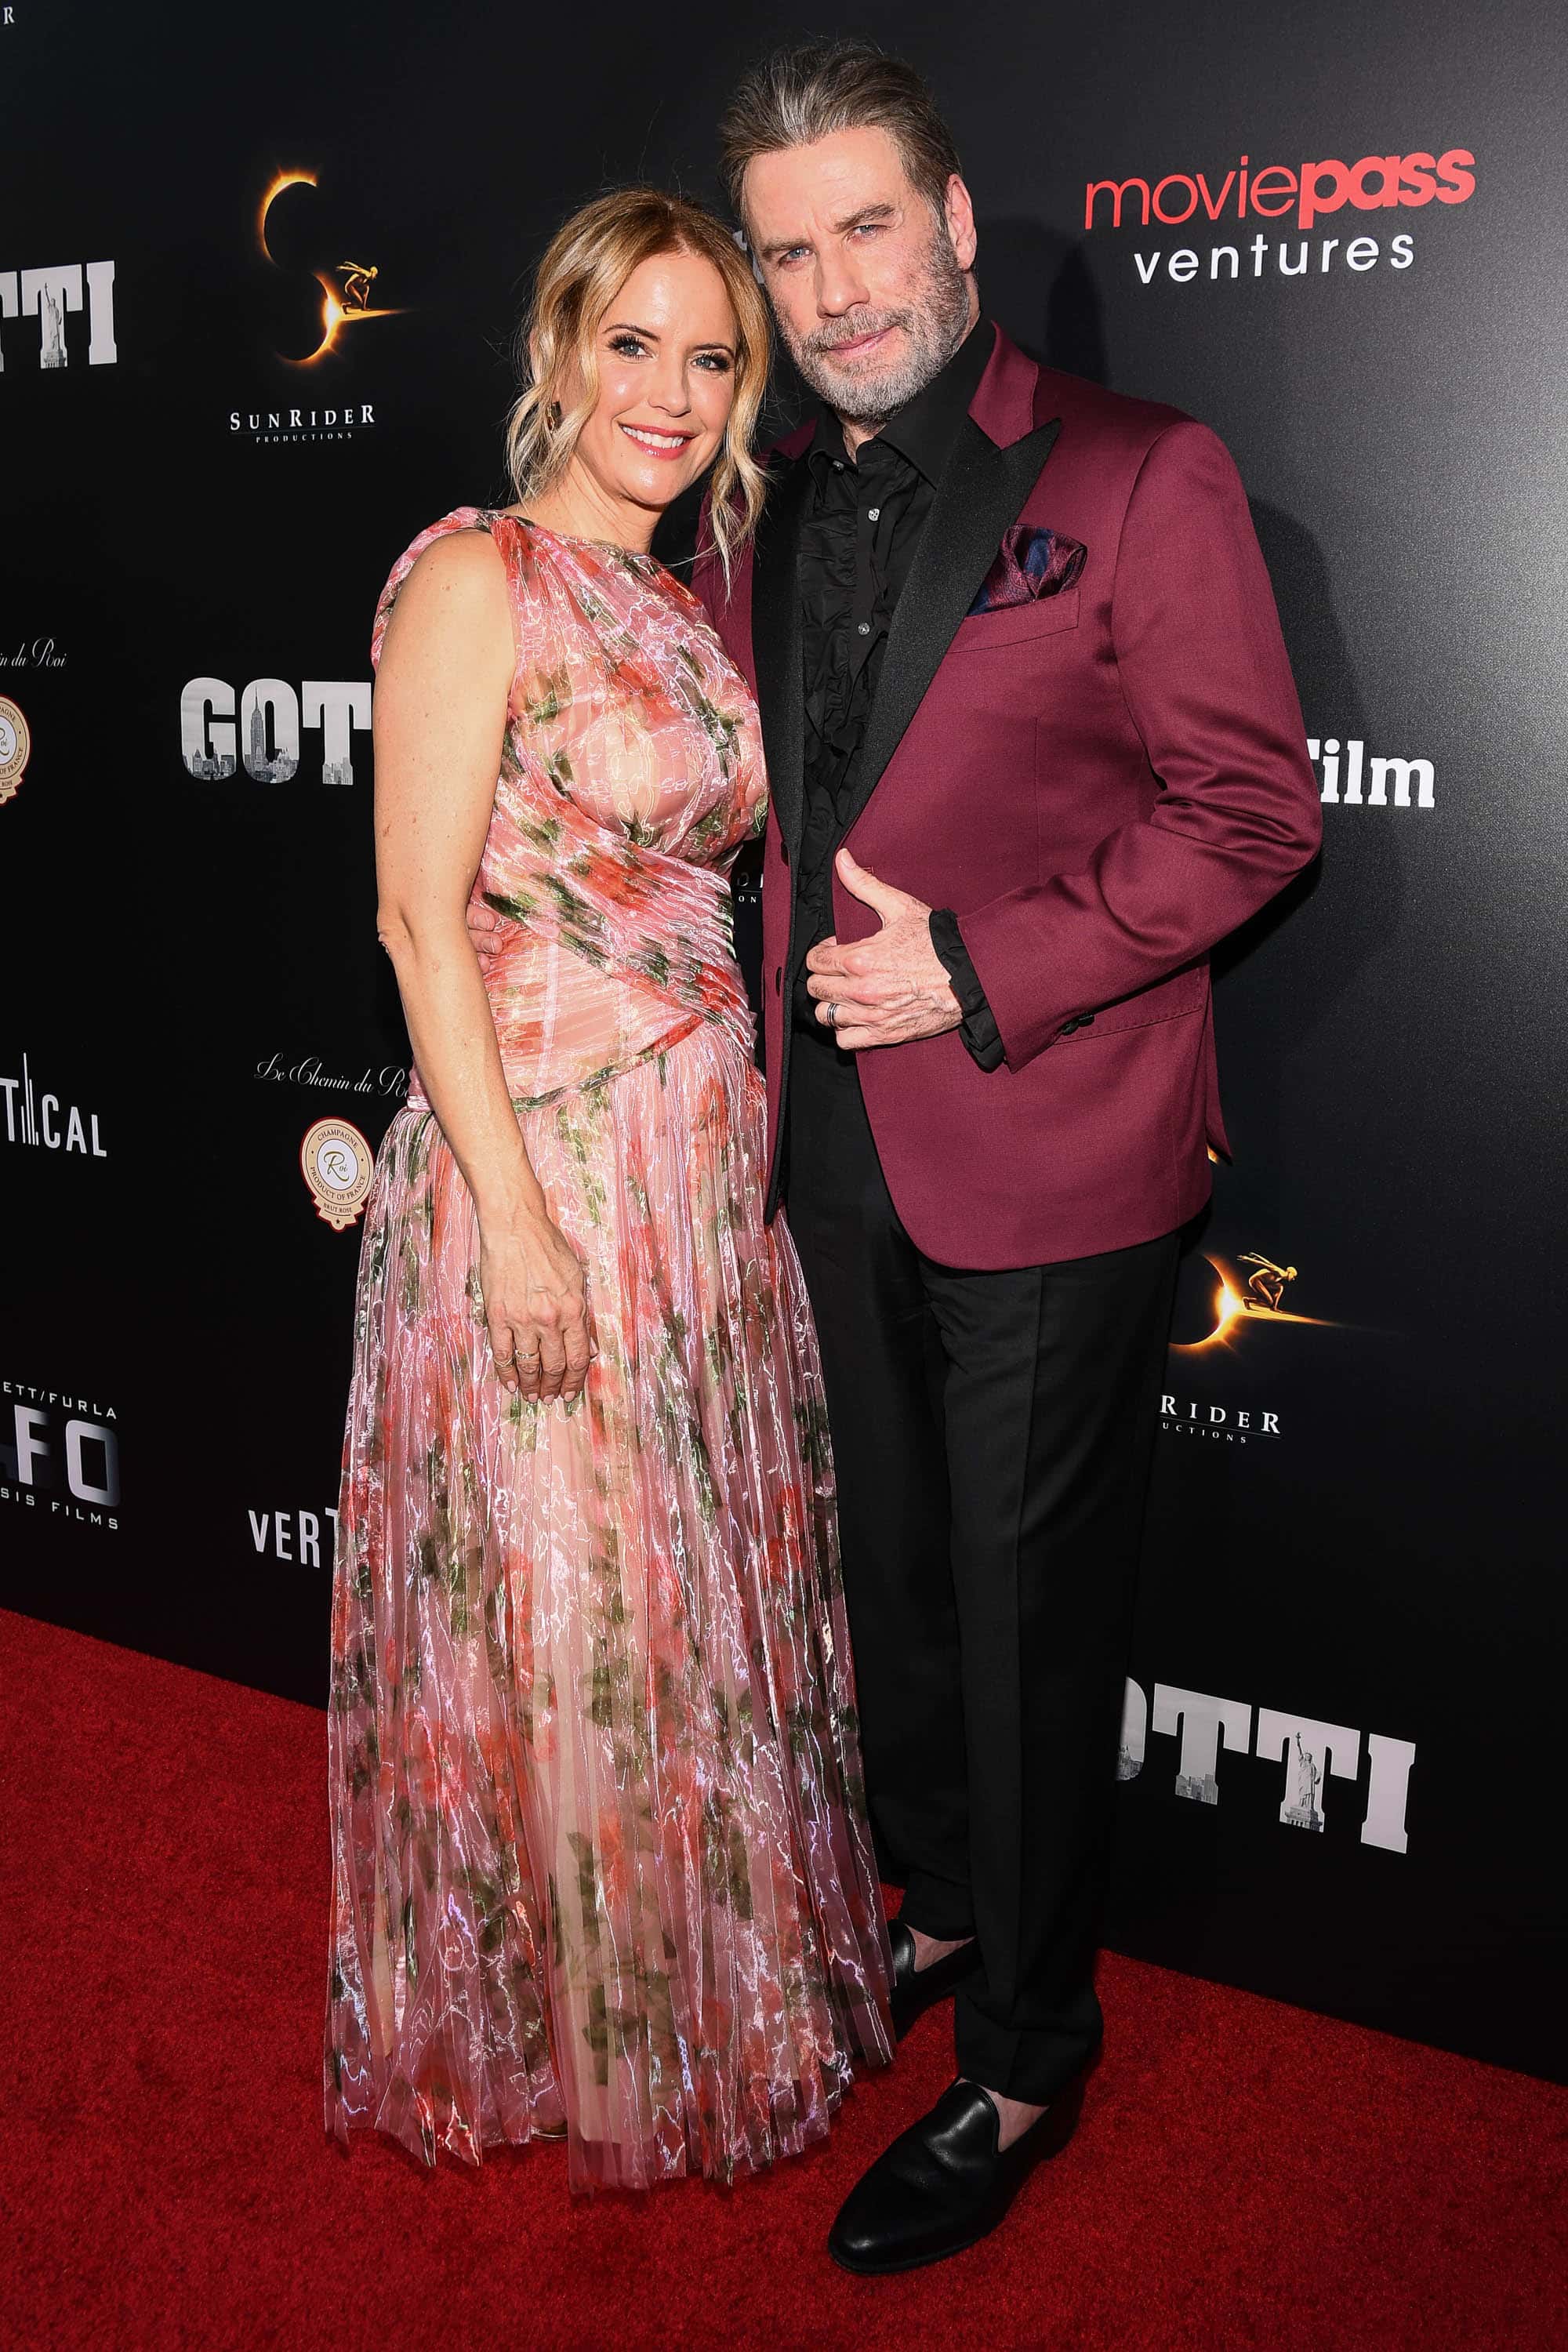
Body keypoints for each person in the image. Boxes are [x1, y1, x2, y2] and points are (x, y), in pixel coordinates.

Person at [692, 42, 1324, 2272]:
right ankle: (948, 1899)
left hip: (1053, 1147)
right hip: (827, 1146)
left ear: (957, 225)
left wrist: (977, 966)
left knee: (1026, 1610)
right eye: (789, 252)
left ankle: (1030, 2057)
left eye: (870, 227)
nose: (835, 287)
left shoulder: (1143, 471)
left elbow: (1253, 815)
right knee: (894, 1584)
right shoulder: (758, 504)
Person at [324, 187, 893, 2198]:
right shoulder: (475, 577)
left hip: (698, 1166)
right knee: (573, 1609)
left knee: (681, 1599)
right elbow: (417, 923)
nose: (670, 391)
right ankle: (596, 2037)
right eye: (631, 344)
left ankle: (695, 1994)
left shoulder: (680, 599)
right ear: (558, 353)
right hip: (548, 1160)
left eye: (710, 356)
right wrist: (515, 1222)